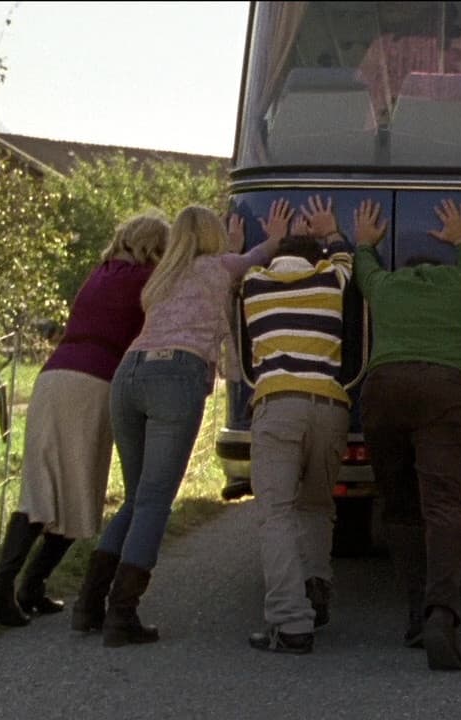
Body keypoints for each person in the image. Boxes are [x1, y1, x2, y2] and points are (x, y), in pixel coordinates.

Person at [71, 201, 288, 647]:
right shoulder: (218, 267)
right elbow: (256, 258)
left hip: (129, 374)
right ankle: (122, 615)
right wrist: (276, 236)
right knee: (154, 501)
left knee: (136, 498)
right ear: (212, 236)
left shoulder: (161, 277)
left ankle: (88, 605)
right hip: (176, 375)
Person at [0, 213, 168, 628]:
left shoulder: (100, 273)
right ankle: (18, 583)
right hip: (92, 382)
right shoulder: (147, 281)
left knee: (42, 482)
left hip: (53, 376)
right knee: (80, 488)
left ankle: (16, 584)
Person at [354, 198, 461, 671]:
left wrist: (365, 242)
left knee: (401, 505)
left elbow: (364, 266)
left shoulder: (387, 286)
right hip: (445, 389)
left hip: (385, 388)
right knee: (444, 504)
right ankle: (440, 614)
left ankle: (414, 613)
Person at [240, 196, 359, 654]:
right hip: (330, 406)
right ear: (317, 258)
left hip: (278, 404)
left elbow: (242, 265)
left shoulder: (254, 284)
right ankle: (316, 591)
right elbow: (344, 256)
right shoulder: (330, 279)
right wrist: (330, 230)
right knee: (316, 506)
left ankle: (291, 623)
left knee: (277, 513)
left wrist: (270, 238)